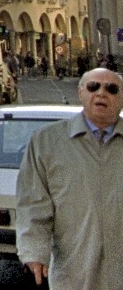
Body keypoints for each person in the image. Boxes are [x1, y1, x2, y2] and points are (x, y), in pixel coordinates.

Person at [16, 67, 123, 288]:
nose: (102, 93)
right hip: (74, 267)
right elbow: (33, 203)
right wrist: (35, 251)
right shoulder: (47, 141)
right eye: (94, 87)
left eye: (112, 89)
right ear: (80, 92)